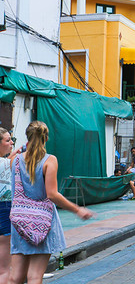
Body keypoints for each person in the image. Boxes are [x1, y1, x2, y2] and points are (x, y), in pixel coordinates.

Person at [8, 121, 93, 284]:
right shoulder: (49, 160)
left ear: (27, 137)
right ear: (46, 138)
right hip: (42, 224)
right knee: (34, 276)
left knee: (15, 277)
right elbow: (52, 194)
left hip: (19, 223)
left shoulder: (15, 161)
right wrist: (77, 209)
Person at [0, 128, 21, 284]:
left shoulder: (7, 162)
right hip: (4, 208)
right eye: (8, 140)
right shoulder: (8, 164)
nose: (12, 142)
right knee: (4, 269)